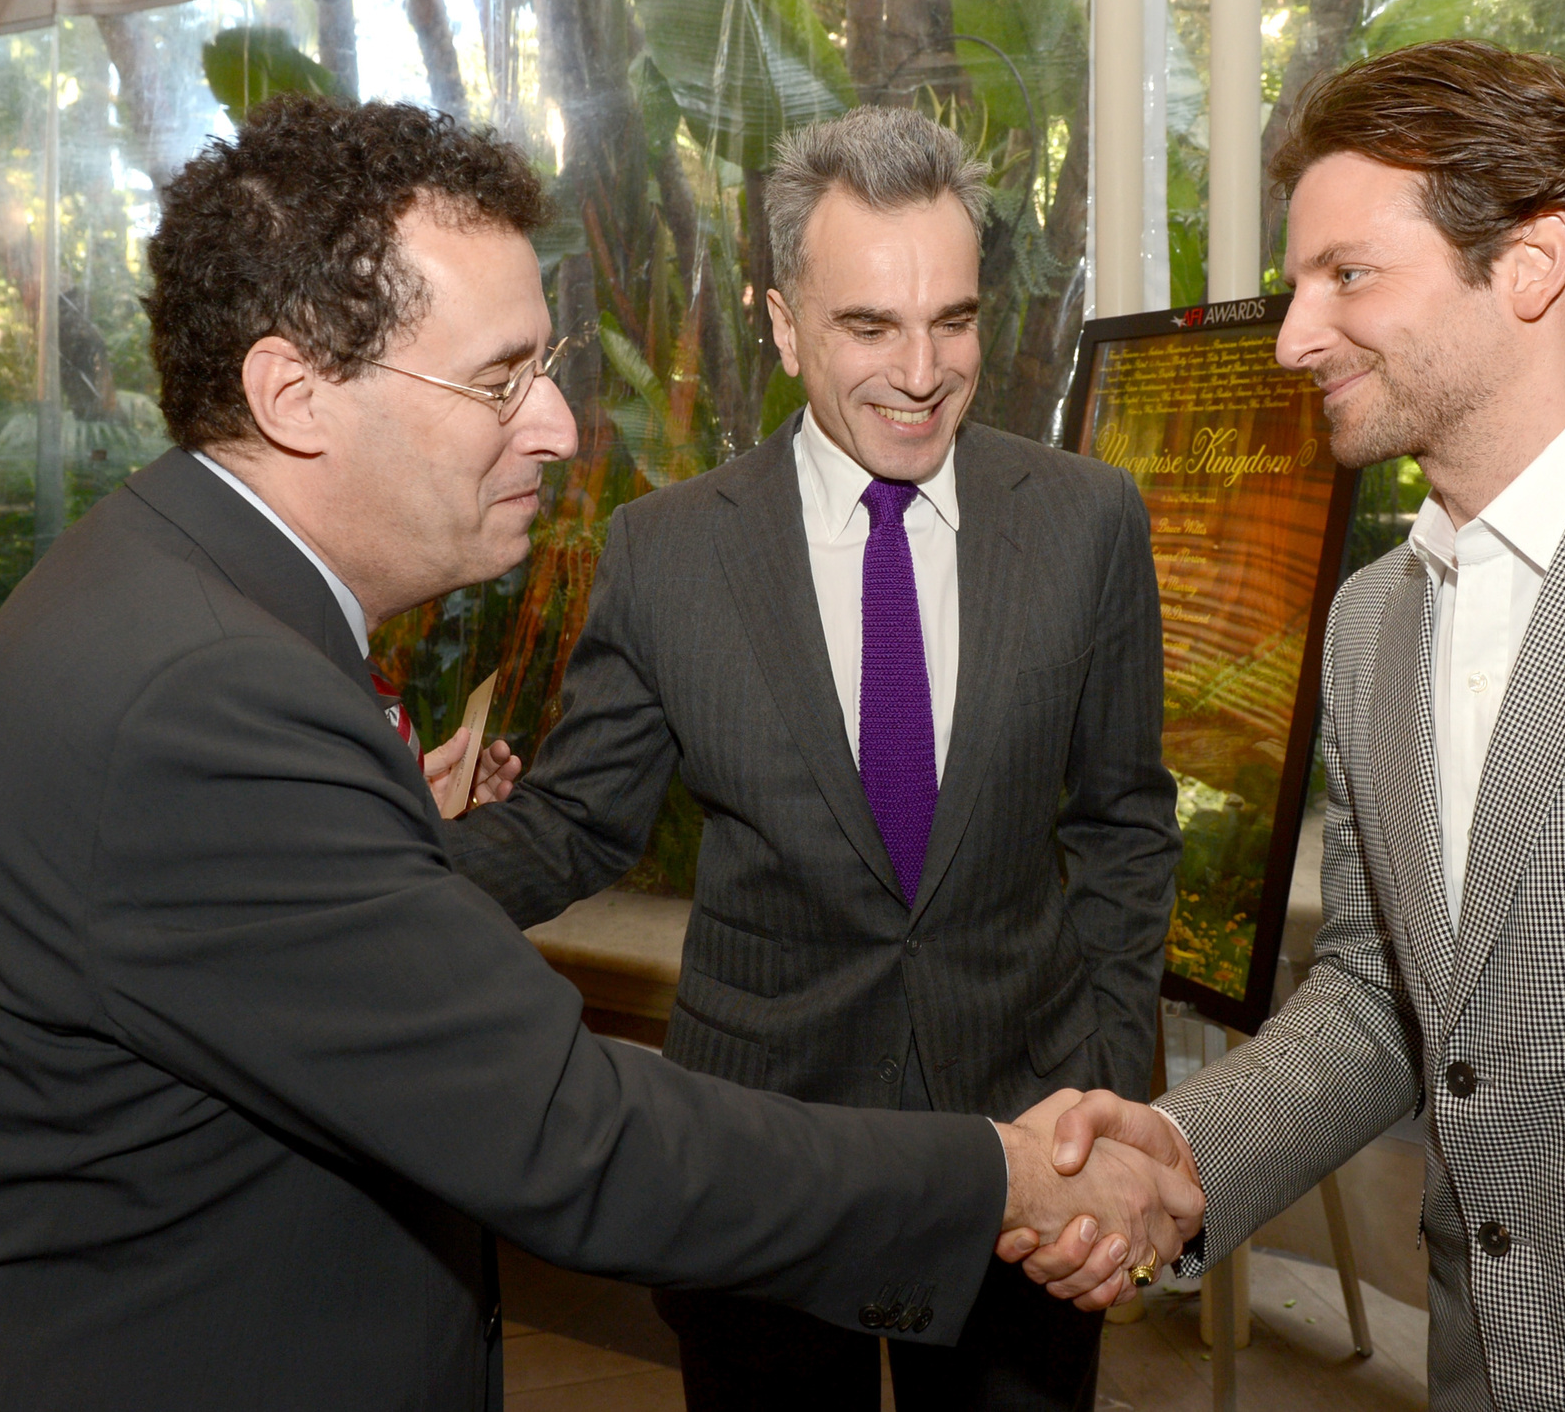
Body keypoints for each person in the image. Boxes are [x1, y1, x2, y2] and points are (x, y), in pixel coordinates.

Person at [0, 96, 1203, 1412]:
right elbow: (571, 1126)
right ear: (295, 395)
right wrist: (1003, 1178)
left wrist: (384, 853)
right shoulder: (210, 696)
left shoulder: (173, 610)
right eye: (505, 378)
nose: (554, 426)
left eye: (953, 318)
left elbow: (1123, 824)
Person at [1038, 38, 1565, 1408]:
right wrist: (1181, 1157)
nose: (1295, 334)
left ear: (1533, 264)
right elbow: (1389, 992)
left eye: (1348, 275)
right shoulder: (1376, 619)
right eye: (1297, 282)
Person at [446, 105, 1182, 1409]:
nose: (922, 369)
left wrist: (1109, 1095)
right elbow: (572, 828)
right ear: (782, 323)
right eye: (867, 326)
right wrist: (365, 871)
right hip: (761, 1164)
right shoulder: (670, 553)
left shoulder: (1087, 523)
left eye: (952, 320)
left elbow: (1124, 822)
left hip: (1025, 1152)